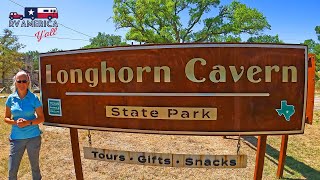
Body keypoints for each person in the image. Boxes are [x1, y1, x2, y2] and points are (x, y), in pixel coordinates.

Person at [4, 70, 44, 180]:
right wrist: (15, 122)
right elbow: (6, 118)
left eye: (24, 81)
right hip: (16, 138)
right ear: (15, 82)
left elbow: (41, 118)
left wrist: (28, 122)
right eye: (19, 81)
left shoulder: (34, 98)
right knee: (12, 171)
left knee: (35, 168)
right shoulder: (10, 99)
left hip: (33, 137)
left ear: (28, 82)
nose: (22, 84)